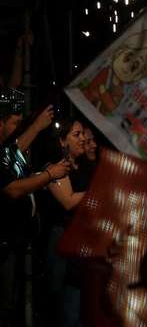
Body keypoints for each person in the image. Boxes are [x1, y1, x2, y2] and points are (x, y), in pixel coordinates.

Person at [0, 105, 63, 326]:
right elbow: (13, 189)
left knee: (12, 301)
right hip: (3, 244)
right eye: (14, 123)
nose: (18, 128)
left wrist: (37, 126)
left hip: (14, 241)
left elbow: (17, 149)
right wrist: (48, 175)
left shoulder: (5, 150)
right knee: (4, 306)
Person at [39, 118, 89, 327]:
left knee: (78, 294)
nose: (83, 138)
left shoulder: (83, 166)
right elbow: (67, 202)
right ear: (62, 141)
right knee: (60, 294)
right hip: (61, 238)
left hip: (80, 238)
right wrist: (96, 192)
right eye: (76, 135)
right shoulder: (56, 167)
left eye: (83, 134)